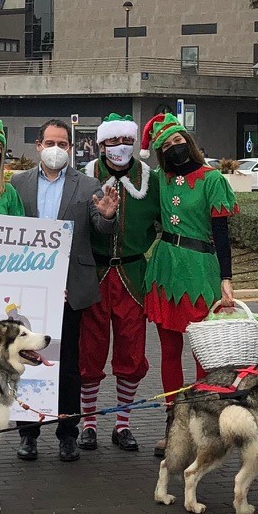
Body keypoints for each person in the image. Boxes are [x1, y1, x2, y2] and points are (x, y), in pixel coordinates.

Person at [11, 120, 115, 462]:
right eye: (50, 142)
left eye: (63, 143)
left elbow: (99, 229)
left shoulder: (87, 185)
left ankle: (67, 433)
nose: (57, 148)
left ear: (71, 148)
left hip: (70, 291)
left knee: (68, 364)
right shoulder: (18, 184)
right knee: (26, 361)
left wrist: (108, 216)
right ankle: (28, 434)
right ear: (38, 145)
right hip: (29, 290)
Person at [141, 113, 237, 456]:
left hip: (201, 269)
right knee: (169, 351)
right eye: (165, 146)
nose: (174, 148)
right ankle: (174, 426)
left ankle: (202, 426)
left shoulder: (212, 180)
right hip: (165, 268)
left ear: (189, 141)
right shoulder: (158, 180)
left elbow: (223, 235)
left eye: (178, 141)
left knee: (202, 354)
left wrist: (226, 279)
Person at [81, 112, 161, 451]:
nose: (120, 147)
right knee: (89, 351)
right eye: (112, 141)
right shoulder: (84, 178)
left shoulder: (151, 180)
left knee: (131, 351)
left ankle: (122, 423)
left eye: (126, 140)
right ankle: (87, 424)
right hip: (93, 275)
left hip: (133, 276)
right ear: (100, 143)